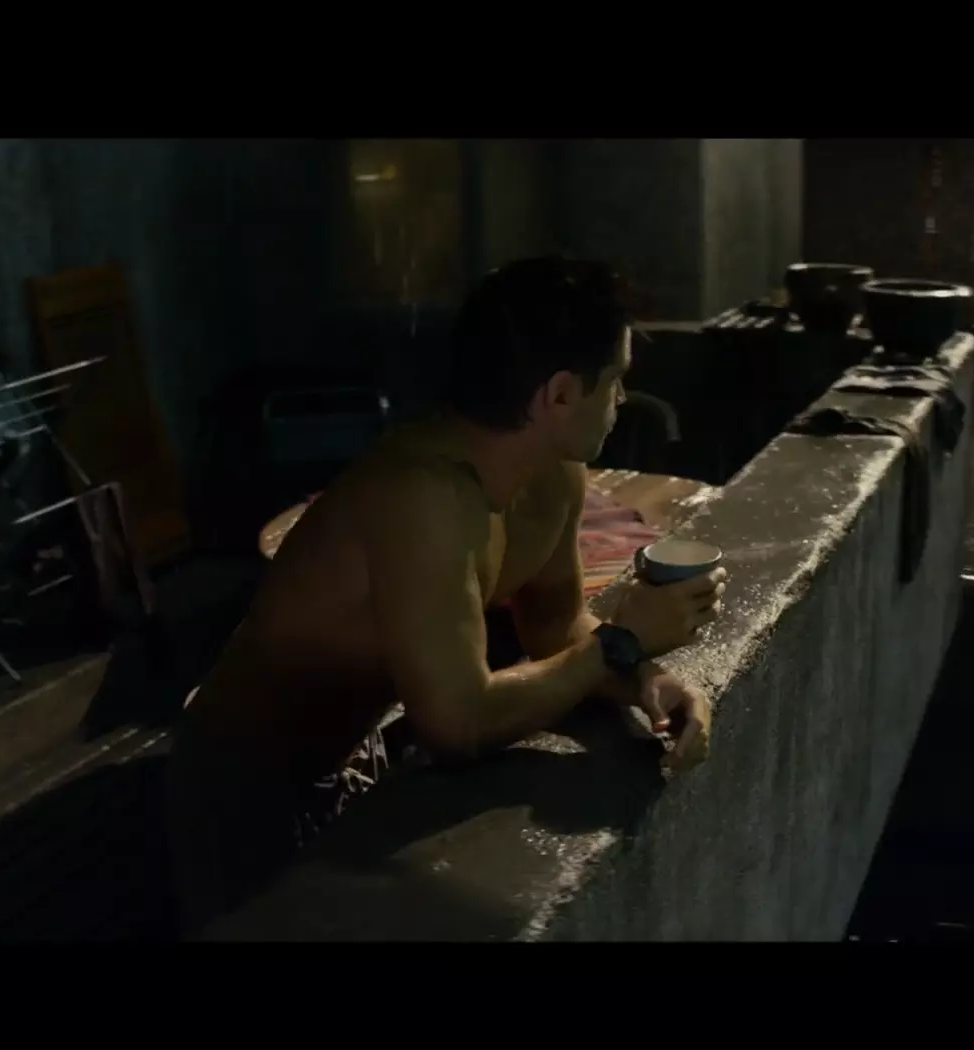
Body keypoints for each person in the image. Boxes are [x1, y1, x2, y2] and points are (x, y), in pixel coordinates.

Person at [166, 256, 728, 934]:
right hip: (244, 780)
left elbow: (556, 630)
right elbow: (456, 724)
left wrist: (647, 680)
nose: (622, 400)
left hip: (354, 753)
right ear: (558, 395)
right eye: (615, 381)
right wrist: (622, 640)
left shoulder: (553, 476)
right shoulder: (420, 494)